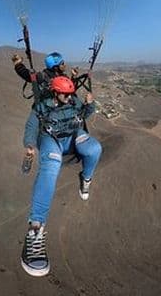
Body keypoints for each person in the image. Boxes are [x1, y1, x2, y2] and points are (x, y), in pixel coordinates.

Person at [20, 76, 102, 277]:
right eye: (65, 94)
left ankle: (86, 179)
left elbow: (85, 114)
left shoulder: (74, 100)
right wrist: (30, 145)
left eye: (70, 93)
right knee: (51, 165)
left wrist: (90, 104)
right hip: (51, 139)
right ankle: (35, 230)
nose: (69, 97)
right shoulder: (42, 107)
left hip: (73, 136)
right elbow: (31, 127)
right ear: (56, 93)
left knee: (94, 149)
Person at [12, 52, 78, 149]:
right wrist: (18, 65)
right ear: (55, 66)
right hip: (47, 110)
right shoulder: (43, 76)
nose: (65, 65)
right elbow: (27, 75)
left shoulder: (63, 77)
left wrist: (74, 77)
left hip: (60, 110)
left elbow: (70, 90)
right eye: (62, 63)